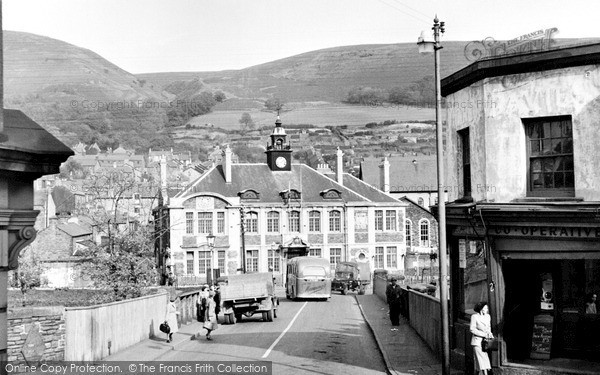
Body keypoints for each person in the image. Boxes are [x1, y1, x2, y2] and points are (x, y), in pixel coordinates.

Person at [470, 301, 493, 375]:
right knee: (481, 360)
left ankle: (479, 373)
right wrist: (483, 334)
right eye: (485, 308)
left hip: (485, 342)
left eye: (487, 308)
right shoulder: (474, 317)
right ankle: (485, 374)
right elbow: (472, 329)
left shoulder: (488, 316)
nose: (487, 309)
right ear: (481, 309)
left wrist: (489, 333)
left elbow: (488, 327)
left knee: (483, 359)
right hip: (477, 342)